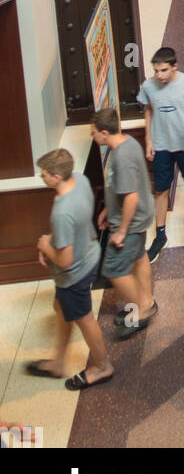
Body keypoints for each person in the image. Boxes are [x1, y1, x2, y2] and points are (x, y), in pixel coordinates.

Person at [28, 149, 112, 390]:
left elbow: (64, 261)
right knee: (62, 308)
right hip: (90, 254)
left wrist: (46, 245)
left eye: (44, 174)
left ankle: (102, 366)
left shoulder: (61, 211)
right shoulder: (81, 180)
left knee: (85, 319)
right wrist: (54, 242)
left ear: (56, 176)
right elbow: (76, 224)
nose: (41, 177)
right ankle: (58, 361)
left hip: (73, 274)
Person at [89, 108, 157, 341]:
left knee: (114, 270)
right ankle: (146, 301)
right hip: (131, 218)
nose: (93, 137)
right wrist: (108, 209)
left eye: (94, 133)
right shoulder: (127, 143)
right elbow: (121, 187)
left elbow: (131, 197)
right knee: (139, 258)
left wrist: (121, 231)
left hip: (131, 223)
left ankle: (141, 310)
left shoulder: (121, 156)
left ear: (105, 133)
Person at [138, 47, 184, 264]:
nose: (159, 75)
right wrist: (148, 139)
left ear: (175, 66)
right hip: (162, 145)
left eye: (163, 70)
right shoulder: (148, 86)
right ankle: (160, 234)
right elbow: (148, 109)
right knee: (161, 190)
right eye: (156, 71)